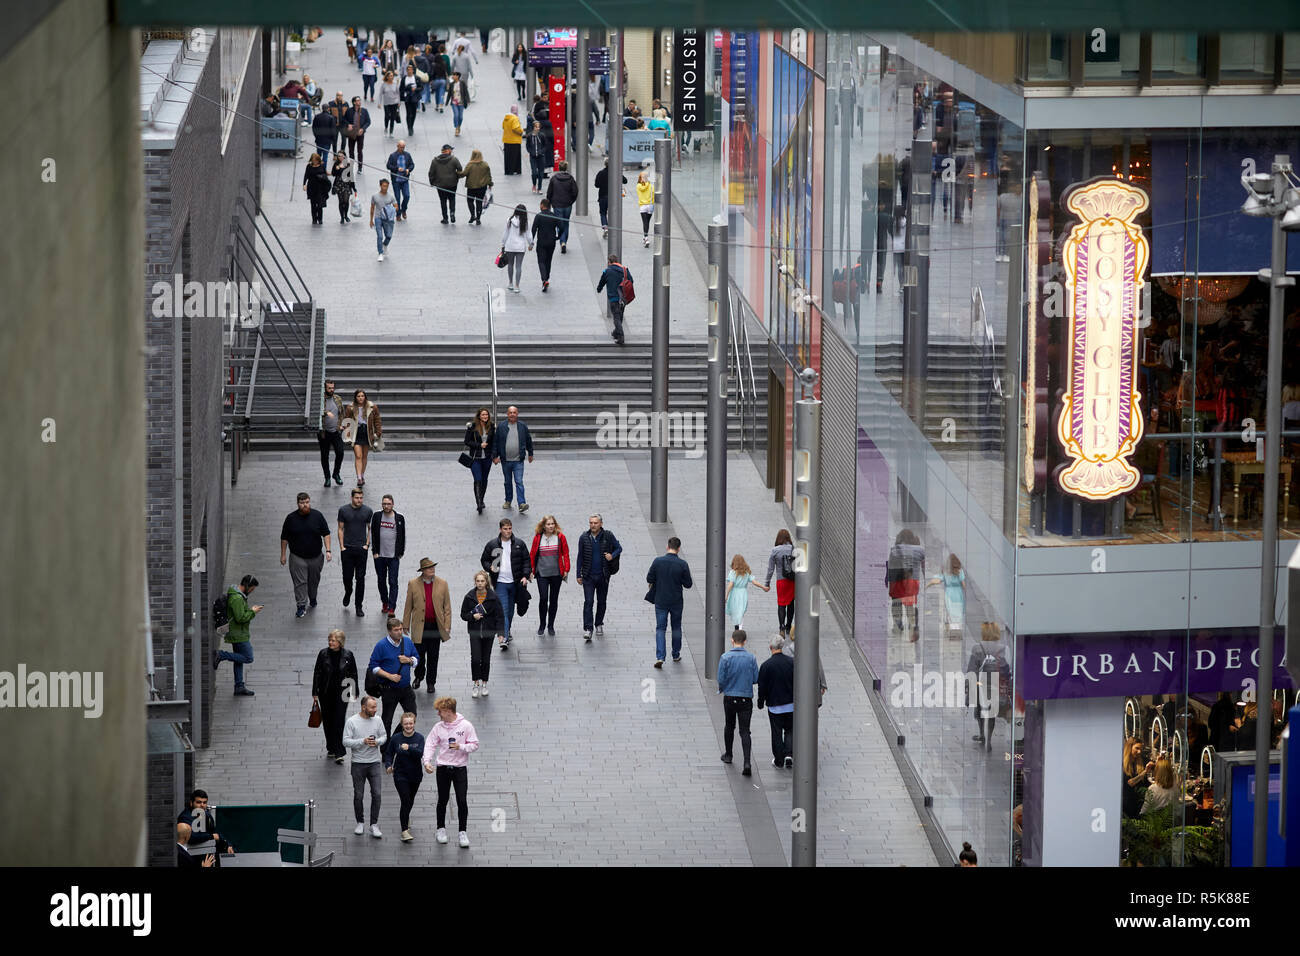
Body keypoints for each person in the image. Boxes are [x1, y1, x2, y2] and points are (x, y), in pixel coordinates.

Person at [423, 696, 479, 847]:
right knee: (443, 799)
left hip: (460, 769)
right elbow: (430, 744)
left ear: (448, 711)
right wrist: (427, 762)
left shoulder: (466, 726)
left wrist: (461, 747)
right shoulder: (438, 727)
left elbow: (474, 744)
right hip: (442, 769)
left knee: (462, 800)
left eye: (440, 711)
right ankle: (440, 828)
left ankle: (463, 832)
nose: (438, 714)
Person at [403, 557, 452, 697]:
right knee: (419, 654)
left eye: (433, 567)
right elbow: (408, 605)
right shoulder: (413, 584)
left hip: (435, 626)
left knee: (433, 655)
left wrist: (447, 625)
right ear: (423, 571)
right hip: (420, 625)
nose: (432, 569)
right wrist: (405, 624)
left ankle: (431, 682)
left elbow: (447, 607)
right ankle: (419, 676)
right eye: (429, 568)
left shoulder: (442, 583)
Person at [480, 517, 531, 649]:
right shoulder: (492, 544)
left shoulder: (519, 544)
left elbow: (526, 560)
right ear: (500, 530)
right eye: (505, 529)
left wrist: (525, 576)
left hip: (515, 583)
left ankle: (507, 630)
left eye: (509, 529)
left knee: (510, 611)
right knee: (503, 610)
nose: (508, 531)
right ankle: (503, 637)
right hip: (500, 583)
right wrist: (489, 567)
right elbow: (484, 559)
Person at [715, 629, 759, 774]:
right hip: (745, 698)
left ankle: (728, 754)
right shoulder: (751, 658)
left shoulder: (725, 657)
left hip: (729, 697)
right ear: (745, 641)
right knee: (745, 731)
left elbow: (720, 678)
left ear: (732, 640)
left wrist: (724, 687)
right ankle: (747, 762)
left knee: (729, 726)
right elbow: (755, 678)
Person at [281, 492, 332, 617]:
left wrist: (328, 550)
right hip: (297, 557)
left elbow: (326, 533)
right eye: (302, 503)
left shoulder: (317, 516)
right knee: (300, 582)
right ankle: (301, 605)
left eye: (307, 502)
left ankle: (313, 597)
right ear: (298, 504)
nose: (305, 505)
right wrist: (283, 555)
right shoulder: (291, 518)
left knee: (313, 581)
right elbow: (284, 538)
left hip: (315, 557)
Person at [313, 629, 359, 764]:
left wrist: (355, 691)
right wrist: (315, 692)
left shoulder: (348, 655)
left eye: (333, 640)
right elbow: (317, 673)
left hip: (343, 692)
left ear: (340, 642)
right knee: (327, 720)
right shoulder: (323, 654)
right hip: (325, 692)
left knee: (339, 720)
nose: (330, 642)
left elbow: (353, 673)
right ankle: (331, 747)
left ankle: (339, 751)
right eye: (330, 640)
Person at [646, 537, 693, 667]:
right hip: (676, 601)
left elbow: (649, 577)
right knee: (676, 627)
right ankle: (676, 654)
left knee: (660, 628)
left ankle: (660, 657)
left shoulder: (658, 561)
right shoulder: (682, 564)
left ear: (667, 547)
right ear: (678, 549)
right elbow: (688, 584)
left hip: (660, 600)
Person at [344, 695, 387, 837]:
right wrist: (362, 741)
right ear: (364, 707)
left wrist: (378, 742)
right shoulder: (352, 721)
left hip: (374, 762)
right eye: (372, 707)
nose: (375, 710)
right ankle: (360, 822)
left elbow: (384, 736)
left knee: (377, 794)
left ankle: (374, 824)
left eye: (376, 707)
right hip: (358, 763)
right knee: (358, 794)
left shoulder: (378, 720)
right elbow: (345, 741)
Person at [369, 616, 420, 737]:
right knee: (387, 719)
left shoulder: (407, 641)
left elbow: (417, 658)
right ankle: (385, 749)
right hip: (389, 689)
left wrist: (408, 660)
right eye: (396, 630)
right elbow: (373, 666)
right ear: (389, 631)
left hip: (406, 688)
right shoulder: (381, 645)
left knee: (412, 714)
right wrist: (389, 676)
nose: (400, 632)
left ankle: (395, 738)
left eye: (401, 629)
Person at [576, 513, 621, 640]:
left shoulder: (608, 535)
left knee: (601, 601)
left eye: (595, 523)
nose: (593, 525)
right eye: (591, 523)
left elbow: (619, 548)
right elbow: (580, 556)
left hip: (603, 575)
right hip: (588, 576)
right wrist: (578, 574)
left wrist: (612, 555)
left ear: (601, 524)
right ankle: (588, 628)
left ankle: (599, 623)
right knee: (588, 602)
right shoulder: (584, 537)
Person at [214, 574, 261, 696]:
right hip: (239, 633)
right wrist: (253, 611)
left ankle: (239, 686)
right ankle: (221, 655)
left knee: (238, 659)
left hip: (238, 632)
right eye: (251, 589)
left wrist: (250, 610)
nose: (251, 591)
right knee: (248, 657)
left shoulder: (237, 595)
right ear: (247, 586)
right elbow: (240, 618)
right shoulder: (237, 599)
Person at [967, 621, 1009, 751]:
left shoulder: (977, 648)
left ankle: (981, 734)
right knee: (991, 713)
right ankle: (989, 739)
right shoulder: (1003, 648)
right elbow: (1006, 669)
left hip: (981, 684)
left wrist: (968, 686)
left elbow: (972, 669)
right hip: (995, 684)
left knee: (979, 710)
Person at [384, 712, 426, 841]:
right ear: (402, 724)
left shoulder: (419, 738)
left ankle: (405, 816)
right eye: (406, 723)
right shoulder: (396, 738)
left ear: (414, 724)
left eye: (411, 723)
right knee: (405, 800)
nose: (408, 726)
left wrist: (409, 748)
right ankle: (404, 830)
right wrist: (388, 765)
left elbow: (420, 754)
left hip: (415, 775)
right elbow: (389, 753)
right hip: (400, 774)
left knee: (410, 800)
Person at [462, 571, 504, 697]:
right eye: (478, 581)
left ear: (486, 582)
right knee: (475, 659)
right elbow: (463, 614)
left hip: (488, 632)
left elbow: (500, 616)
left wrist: (500, 633)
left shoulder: (493, 597)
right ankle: (476, 684)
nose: (480, 583)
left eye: (482, 581)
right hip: (474, 632)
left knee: (486, 659)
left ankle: (484, 683)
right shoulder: (469, 596)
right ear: (475, 582)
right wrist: (472, 616)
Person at [757, 635, 795, 768]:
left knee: (776, 732)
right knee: (790, 730)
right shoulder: (792, 662)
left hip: (774, 706)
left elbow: (762, 687)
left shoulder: (766, 666)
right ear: (782, 646)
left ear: (770, 647)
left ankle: (779, 759)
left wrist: (760, 702)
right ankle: (789, 754)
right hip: (791, 705)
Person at [529, 515, 570, 636]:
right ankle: (542, 624)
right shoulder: (538, 538)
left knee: (553, 599)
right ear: (543, 526)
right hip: (542, 573)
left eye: (552, 524)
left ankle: (551, 625)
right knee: (543, 598)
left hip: (556, 573)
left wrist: (566, 569)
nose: (551, 526)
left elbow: (566, 553)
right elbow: (532, 554)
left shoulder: (560, 537)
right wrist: (531, 570)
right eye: (548, 524)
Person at [336, 487, 373, 617]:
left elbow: (370, 529)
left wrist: (367, 544)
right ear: (352, 498)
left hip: (361, 549)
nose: (359, 500)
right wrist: (342, 546)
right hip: (347, 549)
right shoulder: (344, 510)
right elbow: (340, 529)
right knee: (347, 577)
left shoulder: (368, 511)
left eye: (361, 498)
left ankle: (359, 606)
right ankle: (348, 591)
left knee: (360, 578)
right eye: (357, 498)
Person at [492, 404, 534, 510]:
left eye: (514, 412)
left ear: (517, 414)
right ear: (507, 414)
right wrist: (494, 456)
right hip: (505, 460)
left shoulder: (522, 426)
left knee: (519, 481)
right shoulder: (501, 426)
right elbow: (496, 442)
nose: (512, 414)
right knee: (507, 481)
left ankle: (522, 503)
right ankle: (508, 500)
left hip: (518, 460)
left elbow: (528, 440)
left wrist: (530, 453)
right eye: (510, 412)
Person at [886, 528, 926, 638]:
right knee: (910, 604)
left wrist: (889, 582)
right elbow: (924, 567)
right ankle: (912, 624)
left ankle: (897, 625)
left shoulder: (895, 550)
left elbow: (890, 568)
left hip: (898, 582)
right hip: (912, 582)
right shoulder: (920, 551)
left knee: (896, 603)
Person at [371, 494, 405, 615]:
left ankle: (392, 607)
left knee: (393, 581)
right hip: (379, 556)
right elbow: (373, 534)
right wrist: (374, 552)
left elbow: (402, 536)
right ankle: (384, 601)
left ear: (393, 504)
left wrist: (400, 552)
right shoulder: (376, 516)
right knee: (381, 581)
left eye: (388, 504)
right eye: (384, 504)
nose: (386, 506)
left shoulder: (399, 518)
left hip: (393, 557)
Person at [178, 790, 234, 861]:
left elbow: (215, 832)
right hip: (191, 855)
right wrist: (211, 836)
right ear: (191, 803)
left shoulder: (206, 815)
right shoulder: (185, 817)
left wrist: (227, 844)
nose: (202, 805)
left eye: (204, 802)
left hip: (207, 852)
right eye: (198, 802)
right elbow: (190, 837)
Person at [344, 388, 381, 486]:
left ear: (365, 397)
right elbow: (347, 421)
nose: (360, 398)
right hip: (356, 432)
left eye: (362, 396)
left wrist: (378, 432)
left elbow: (377, 420)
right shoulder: (350, 407)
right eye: (358, 396)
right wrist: (347, 434)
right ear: (355, 397)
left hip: (367, 432)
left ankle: (362, 474)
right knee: (358, 455)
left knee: (364, 456)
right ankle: (359, 478)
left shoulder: (372, 407)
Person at [926, 552, 966, 639]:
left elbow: (937, 581)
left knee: (950, 612)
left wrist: (927, 585)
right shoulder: (960, 571)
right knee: (958, 612)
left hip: (949, 594)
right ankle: (958, 631)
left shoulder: (946, 571)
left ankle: (953, 632)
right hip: (958, 594)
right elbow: (963, 585)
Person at [596, 254, 632, 345]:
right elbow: (631, 280)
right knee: (619, 316)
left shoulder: (607, 271)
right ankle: (616, 332)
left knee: (616, 317)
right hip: (623, 298)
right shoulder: (625, 270)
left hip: (613, 298)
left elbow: (602, 282)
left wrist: (599, 289)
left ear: (609, 262)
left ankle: (621, 336)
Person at [464, 407, 495, 513]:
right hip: (475, 458)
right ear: (479, 416)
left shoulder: (491, 427)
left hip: (487, 458)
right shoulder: (472, 427)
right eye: (483, 415)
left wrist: (494, 455)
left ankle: (482, 500)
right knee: (478, 479)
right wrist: (479, 445)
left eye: (486, 415)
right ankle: (478, 503)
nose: (485, 416)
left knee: (484, 480)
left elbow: (493, 442)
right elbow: (467, 441)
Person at [725, 554, 766, 630]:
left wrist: (726, 595)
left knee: (735, 611)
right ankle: (739, 628)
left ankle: (737, 628)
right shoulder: (746, 573)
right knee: (741, 611)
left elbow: (731, 584)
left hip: (734, 593)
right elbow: (754, 582)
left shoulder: (733, 572)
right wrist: (763, 587)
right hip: (743, 593)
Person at [545, 160, 579, 253]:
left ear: (559, 168)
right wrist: (571, 201)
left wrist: (550, 202)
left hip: (557, 205)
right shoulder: (571, 179)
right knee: (566, 223)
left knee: (559, 224)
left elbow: (549, 192)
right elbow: (575, 192)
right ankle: (564, 242)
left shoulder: (554, 179)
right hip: (567, 205)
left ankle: (562, 241)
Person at [530, 199, 562, 292]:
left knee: (541, 261)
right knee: (548, 261)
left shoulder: (539, 216)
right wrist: (558, 237)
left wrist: (531, 242)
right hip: (552, 242)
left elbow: (533, 229)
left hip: (541, 242)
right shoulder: (554, 216)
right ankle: (547, 278)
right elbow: (562, 227)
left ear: (542, 205)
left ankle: (544, 279)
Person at [428, 143, 464, 224]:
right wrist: (457, 177)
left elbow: (431, 173)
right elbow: (460, 169)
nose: (452, 151)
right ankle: (452, 213)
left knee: (443, 201)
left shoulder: (435, 161)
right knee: (452, 199)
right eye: (451, 150)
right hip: (452, 184)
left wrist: (432, 183)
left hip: (440, 185)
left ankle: (445, 218)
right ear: (448, 151)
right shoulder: (454, 159)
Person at [593, 158, 625, 238]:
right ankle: (613, 229)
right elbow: (625, 181)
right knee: (613, 213)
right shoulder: (616, 172)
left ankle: (605, 227)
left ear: (605, 164)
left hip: (603, 196)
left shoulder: (601, 173)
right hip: (613, 197)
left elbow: (596, 185)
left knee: (603, 213)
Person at [385, 140, 415, 221]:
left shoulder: (407, 155)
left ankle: (404, 209)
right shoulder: (393, 155)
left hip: (405, 179)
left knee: (407, 196)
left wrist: (409, 169)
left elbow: (412, 164)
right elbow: (388, 166)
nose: (402, 149)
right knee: (397, 198)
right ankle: (398, 214)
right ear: (397, 146)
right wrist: (397, 168)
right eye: (401, 147)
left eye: (403, 147)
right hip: (396, 180)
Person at [370, 177, 398, 261]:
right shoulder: (375, 196)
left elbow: (396, 206)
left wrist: (391, 209)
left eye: (386, 186)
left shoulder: (391, 197)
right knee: (379, 236)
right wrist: (371, 220)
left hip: (388, 219)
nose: (385, 188)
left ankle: (385, 245)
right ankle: (380, 253)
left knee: (389, 236)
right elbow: (372, 208)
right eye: (383, 186)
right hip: (378, 218)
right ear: (380, 186)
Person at [463, 149, 493, 225]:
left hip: (471, 187)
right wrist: (490, 184)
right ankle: (478, 219)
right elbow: (488, 176)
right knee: (479, 202)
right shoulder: (485, 164)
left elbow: (464, 173)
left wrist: (457, 173)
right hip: (482, 187)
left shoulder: (470, 165)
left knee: (470, 201)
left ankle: (473, 215)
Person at [1122, 737, 1150, 819]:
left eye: (1141, 749)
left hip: (1140, 803)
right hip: (1127, 804)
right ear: (1129, 747)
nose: (1139, 752)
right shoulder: (1122, 763)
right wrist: (1144, 772)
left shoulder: (1141, 760)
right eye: (1137, 748)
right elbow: (1130, 783)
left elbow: (1152, 762)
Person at [342, 96, 371, 170]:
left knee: (360, 151)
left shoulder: (364, 111)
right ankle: (352, 166)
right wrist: (348, 124)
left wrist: (363, 129)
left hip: (360, 134)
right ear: (354, 102)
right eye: (358, 100)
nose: (359, 102)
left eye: (360, 100)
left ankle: (360, 167)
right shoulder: (349, 111)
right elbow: (344, 120)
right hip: (352, 133)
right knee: (351, 150)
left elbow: (368, 121)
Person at [303, 152, 331, 225]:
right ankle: (314, 219)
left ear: (318, 160)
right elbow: (306, 175)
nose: (314, 162)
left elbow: (325, 174)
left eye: (315, 160)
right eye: (313, 160)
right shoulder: (309, 166)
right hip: (311, 187)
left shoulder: (321, 166)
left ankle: (320, 218)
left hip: (320, 187)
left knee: (319, 204)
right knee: (313, 204)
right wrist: (304, 184)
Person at [330, 153, 356, 226]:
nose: (340, 157)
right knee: (341, 202)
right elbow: (333, 174)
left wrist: (354, 187)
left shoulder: (348, 164)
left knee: (346, 201)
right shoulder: (336, 164)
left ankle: (346, 215)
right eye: (339, 156)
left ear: (344, 156)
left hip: (347, 184)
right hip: (339, 184)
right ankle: (342, 217)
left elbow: (351, 176)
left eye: (342, 156)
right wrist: (337, 168)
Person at [525, 120, 548, 194]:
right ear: (533, 127)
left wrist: (541, 152)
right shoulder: (529, 136)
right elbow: (527, 146)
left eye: (538, 127)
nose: (537, 128)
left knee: (541, 173)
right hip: (533, 157)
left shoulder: (542, 136)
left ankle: (539, 187)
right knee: (534, 172)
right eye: (536, 127)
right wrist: (531, 152)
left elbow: (545, 145)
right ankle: (534, 184)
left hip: (541, 157)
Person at [400, 63, 423, 136]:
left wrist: (415, 89)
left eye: (411, 70)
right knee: (408, 113)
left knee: (413, 113)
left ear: (413, 71)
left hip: (415, 98)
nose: (409, 71)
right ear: (406, 71)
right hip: (407, 98)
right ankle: (409, 127)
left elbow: (421, 87)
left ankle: (411, 125)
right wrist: (402, 96)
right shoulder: (404, 78)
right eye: (408, 70)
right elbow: (401, 88)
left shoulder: (417, 78)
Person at [634, 170, 655, 247]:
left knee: (645, 222)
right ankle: (645, 237)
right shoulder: (651, 185)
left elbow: (642, 189)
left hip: (643, 206)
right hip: (650, 206)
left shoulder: (638, 186)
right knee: (647, 222)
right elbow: (653, 194)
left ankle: (646, 238)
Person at [447, 70, 470, 136]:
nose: (453, 76)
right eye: (453, 75)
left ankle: (459, 126)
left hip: (461, 103)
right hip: (454, 102)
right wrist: (447, 101)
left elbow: (466, 92)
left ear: (458, 76)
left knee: (461, 117)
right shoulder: (451, 84)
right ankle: (456, 128)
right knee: (456, 115)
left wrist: (468, 100)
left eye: (454, 75)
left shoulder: (462, 83)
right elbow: (449, 94)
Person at [502, 105, 524, 175]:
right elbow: (515, 128)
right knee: (515, 157)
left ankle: (508, 170)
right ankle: (515, 170)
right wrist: (521, 132)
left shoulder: (506, 118)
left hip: (506, 140)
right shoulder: (515, 118)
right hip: (515, 140)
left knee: (508, 157)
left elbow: (503, 126)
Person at [379, 69, 401, 135]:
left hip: (394, 103)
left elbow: (398, 93)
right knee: (387, 116)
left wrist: (399, 102)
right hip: (386, 103)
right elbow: (380, 94)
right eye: (390, 76)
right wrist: (379, 103)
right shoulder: (383, 85)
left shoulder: (395, 84)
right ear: (387, 77)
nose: (391, 77)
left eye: (392, 76)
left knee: (393, 117)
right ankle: (386, 127)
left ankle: (391, 131)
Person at [429, 44, 449, 111]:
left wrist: (431, 80)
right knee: (442, 93)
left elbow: (432, 73)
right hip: (443, 80)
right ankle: (441, 105)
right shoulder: (444, 63)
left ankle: (437, 105)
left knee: (437, 93)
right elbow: (446, 71)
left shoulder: (434, 65)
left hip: (436, 80)